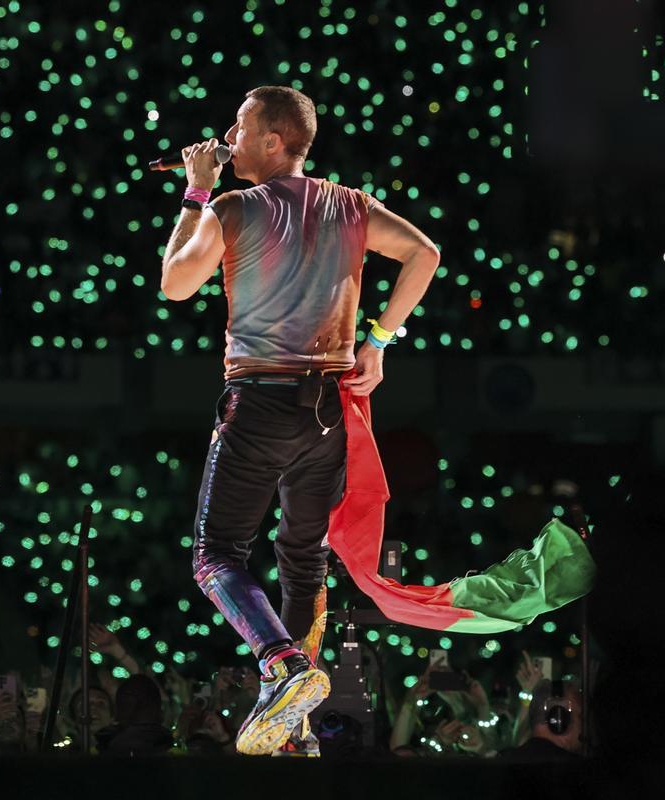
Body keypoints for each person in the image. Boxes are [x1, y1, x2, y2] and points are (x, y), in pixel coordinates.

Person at [159, 85, 441, 756]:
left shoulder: (233, 206)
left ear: (271, 142)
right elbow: (425, 253)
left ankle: (283, 665)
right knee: (303, 560)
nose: (227, 134)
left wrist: (197, 190)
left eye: (239, 124)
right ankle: (291, 725)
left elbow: (175, 282)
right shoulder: (351, 204)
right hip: (328, 413)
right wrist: (376, 341)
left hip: (260, 402)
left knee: (215, 558)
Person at [500, 679, 584, 762]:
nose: (583, 725)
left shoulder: (504, 762)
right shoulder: (577, 770)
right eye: (580, 717)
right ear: (559, 720)